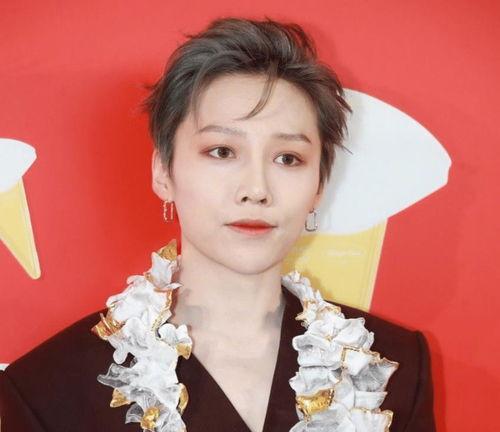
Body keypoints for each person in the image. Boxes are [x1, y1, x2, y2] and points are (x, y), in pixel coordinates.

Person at [0, 16, 436, 432]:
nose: (256, 189)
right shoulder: (48, 390)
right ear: (163, 172)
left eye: (288, 158)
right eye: (222, 151)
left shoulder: (388, 366)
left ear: (318, 185)